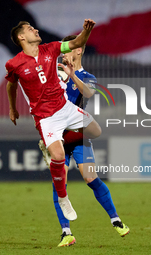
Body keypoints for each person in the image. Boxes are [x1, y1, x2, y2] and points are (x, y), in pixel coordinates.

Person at [5, 19, 102, 222]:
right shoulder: (14, 64)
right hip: (45, 117)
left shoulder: (51, 48)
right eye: (30, 29)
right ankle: (63, 198)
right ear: (22, 37)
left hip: (65, 108)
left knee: (96, 131)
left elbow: (76, 43)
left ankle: (51, 144)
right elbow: (11, 85)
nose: (36, 29)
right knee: (58, 157)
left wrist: (86, 31)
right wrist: (13, 108)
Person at [39, 35, 130, 247]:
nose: (64, 53)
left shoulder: (87, 76)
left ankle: (115, 219)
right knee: (59, 182)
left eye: (69, 49)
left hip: (78, 134)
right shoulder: (53, 73)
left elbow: (88, 92)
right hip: (59, 135)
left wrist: (71, 75)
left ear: (79, 51)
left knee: (90, 178)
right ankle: (66, 232)